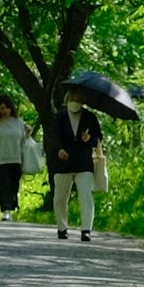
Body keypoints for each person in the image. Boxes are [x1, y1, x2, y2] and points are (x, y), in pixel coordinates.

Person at [44, 94, 106, 242]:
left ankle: (86, 230)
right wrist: (59, 150)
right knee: (60, 197)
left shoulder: (89, 117)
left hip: (83, 163)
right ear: (66, 100)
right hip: (62, 164)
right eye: (73, 99)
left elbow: (98, 137)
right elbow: (52, 136)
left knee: (85, 196)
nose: (75, 103)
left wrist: (89, 138)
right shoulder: (60, 117)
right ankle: (62, 227)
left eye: (78, 100)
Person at [0, 94, 36, 218]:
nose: (5, 111)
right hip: (0, 159)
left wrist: (28, 133)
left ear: (11, 108)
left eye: (7, 108)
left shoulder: (18, 122)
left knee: (13, 185)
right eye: (2, 108)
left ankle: (11, 208)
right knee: (4, 184)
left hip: (16, 158)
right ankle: (5, 211)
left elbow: (23, 141)